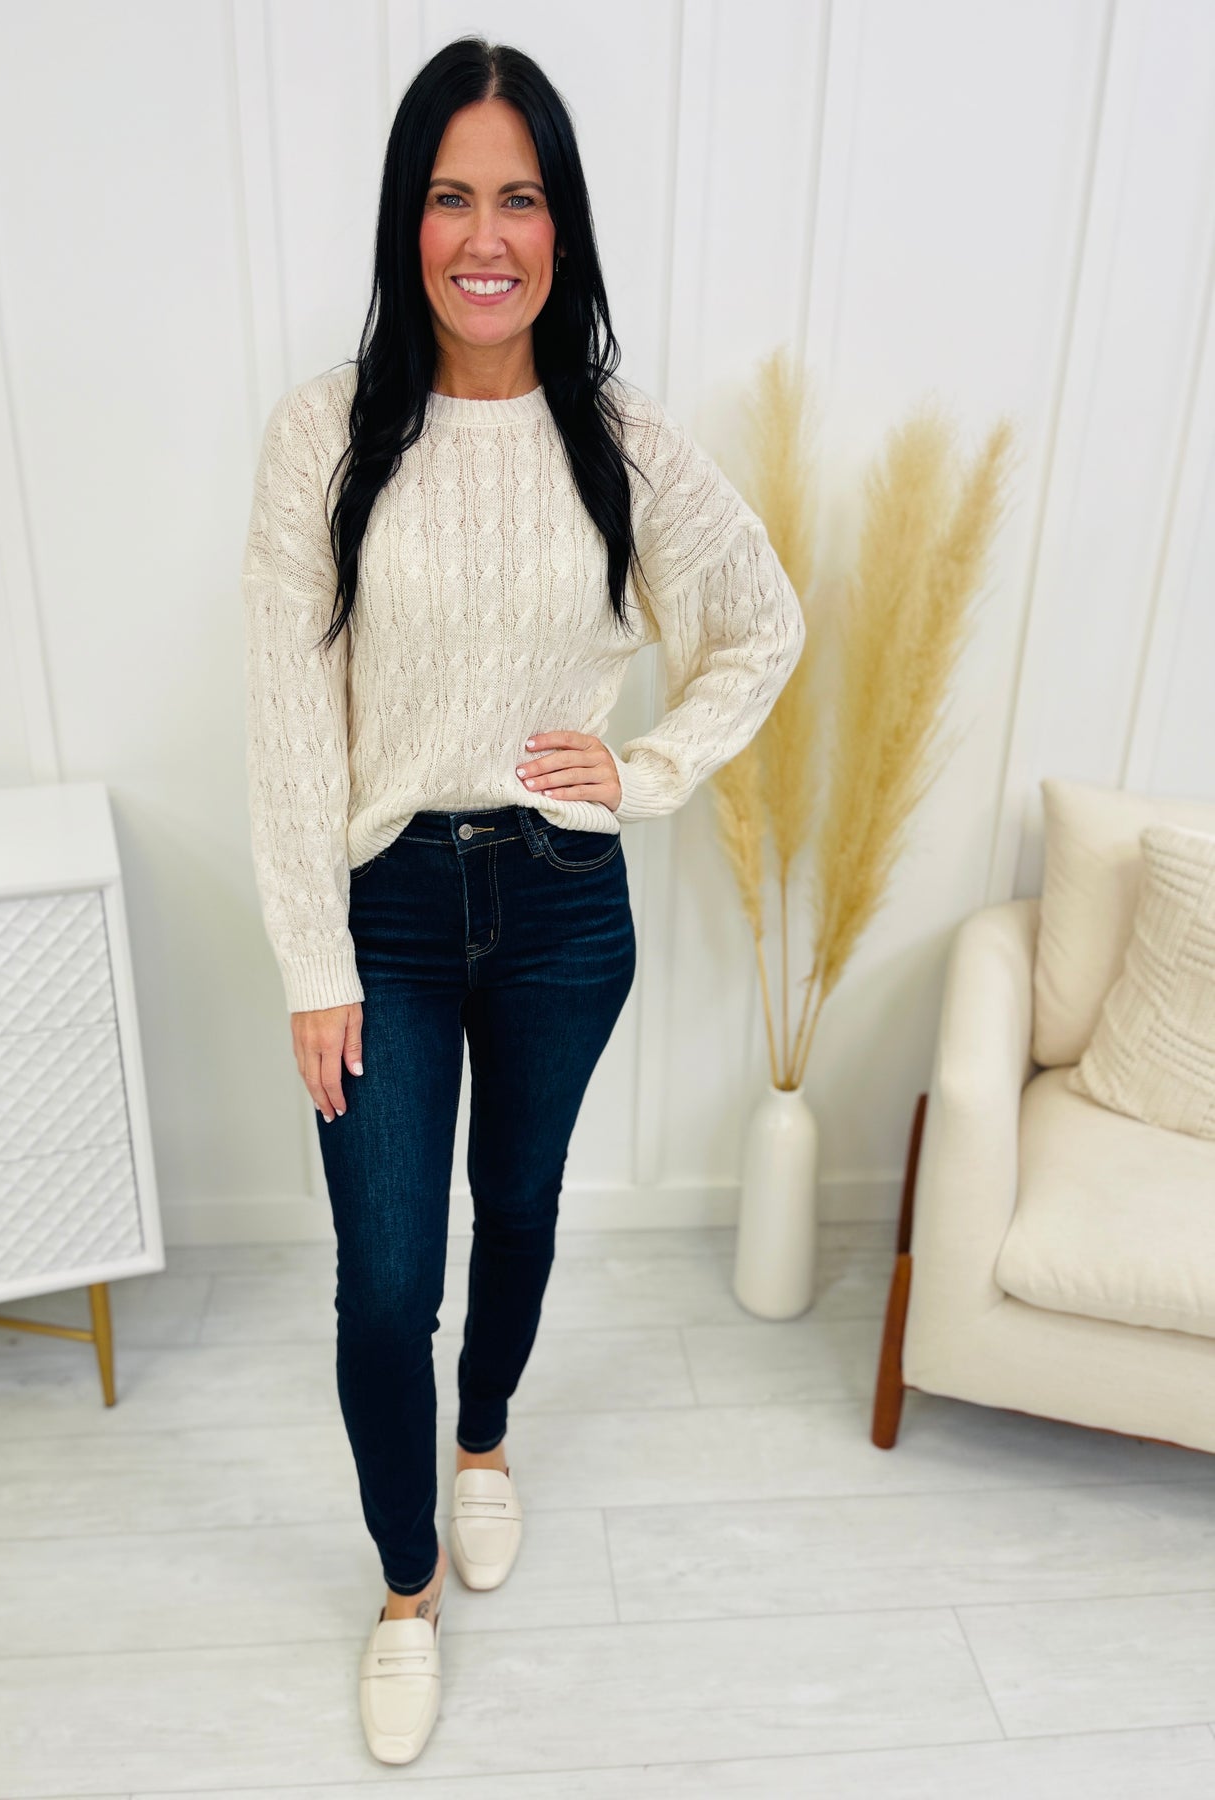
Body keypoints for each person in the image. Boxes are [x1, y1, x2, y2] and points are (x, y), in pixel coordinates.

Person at [240, 35, 806, 1767]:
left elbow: (762, 621)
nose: (483, 237)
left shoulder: (618, 439)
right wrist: (311, 955)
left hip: (561, 903)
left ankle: (481, 1439)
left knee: (525, 1207)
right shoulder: (324, 434)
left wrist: (643, 772)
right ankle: (403, 1587)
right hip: (386, 909)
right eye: (449, 197)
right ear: (406, 220)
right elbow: (285, 714)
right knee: (381, 1281)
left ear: (560, 226)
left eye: (519, 198)